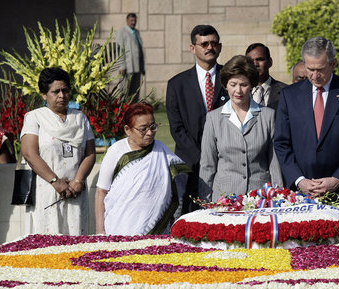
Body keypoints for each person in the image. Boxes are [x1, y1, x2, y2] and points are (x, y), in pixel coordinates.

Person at [273, 37, 339, 213]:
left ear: (333, 64)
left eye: (320, 69)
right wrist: (299, 180)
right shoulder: (289, 95)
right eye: (310, 69)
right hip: (300, 195)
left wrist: (337, 179)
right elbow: (281, 143)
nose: (315, 75)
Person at [20, 67, 96, 235]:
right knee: (48, 245)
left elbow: (90, 154)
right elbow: (29, 154)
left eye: (65, 90)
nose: (62, 95)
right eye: (56, 91)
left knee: (76, 244)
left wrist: (78, 181)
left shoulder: (80, 118)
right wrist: (55, 181)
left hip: (75, 192)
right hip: (46, 190)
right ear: (43, 94)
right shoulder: (35, 117)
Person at [95, 103, 189, 235]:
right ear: (128, 129)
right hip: (119, 229)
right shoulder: (116, 151)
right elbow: (101, 192)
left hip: (157, 230)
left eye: (153, 127)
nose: (150, 133)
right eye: (143, 129)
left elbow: (180, 178)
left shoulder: (162, 151)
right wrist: (100, 231)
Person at [199, 55, 283, 201]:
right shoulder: (213, 119)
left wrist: (278, 197)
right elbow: (208, 165)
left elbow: (274, 163)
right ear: (225, 85)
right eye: (233, 84)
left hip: (261, 197)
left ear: (252, 85)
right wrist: (205, 202)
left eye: (243, 84)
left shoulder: (268, 116)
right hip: (224, 199)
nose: (238, 90)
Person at [165, 24, 228, 213]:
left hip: (226, 163)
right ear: (193, 48)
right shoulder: (177, 84)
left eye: (214, 43)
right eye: (204, 44)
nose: (210, 47)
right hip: (191, 165)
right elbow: (177, 129)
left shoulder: (231, 79)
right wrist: (202, 157)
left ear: (220, 47)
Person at [245, 43, 287, 109]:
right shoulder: (240, 91)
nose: (255, 64)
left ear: (270, 62)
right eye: (251, 61)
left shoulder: (286, 91)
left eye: (260, 59)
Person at [116, 13, 145, 101]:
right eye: (131, 20)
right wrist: (122, 66)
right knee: (125, 90)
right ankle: (122, 111)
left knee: (135, 92)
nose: (133, 22)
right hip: (127, 67)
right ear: (127, 21)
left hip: (137, 67)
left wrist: (142, 67)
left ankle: (133, 110)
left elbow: (140, 50)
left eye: (135, 21)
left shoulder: (136, 32)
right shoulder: (122, 32)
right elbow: (119, 49)